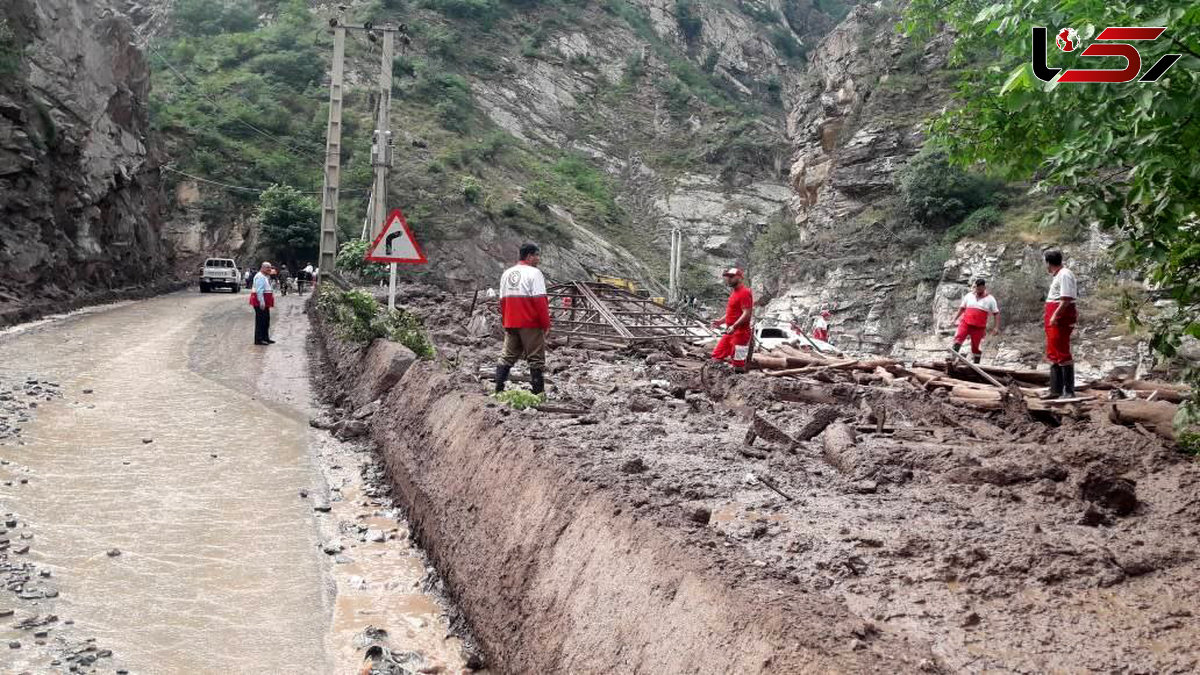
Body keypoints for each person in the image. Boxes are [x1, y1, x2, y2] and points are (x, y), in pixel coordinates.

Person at [495, 243, 551, 395]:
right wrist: (546, 324)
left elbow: (502, 300)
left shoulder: (507, 273)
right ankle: (538, 394)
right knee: (536, 359)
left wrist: (505, 321)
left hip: (511, 321)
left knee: (507, 356)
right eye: (537, 255)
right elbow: (540, 301)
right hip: (530, 322)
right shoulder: (535, 273)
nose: (538, 259)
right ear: (529, 256)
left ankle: (498, 390)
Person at [1044, 249, 1078, 398]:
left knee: (1062, 350)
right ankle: (1055, 390)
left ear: (1048, 263)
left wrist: (1055, 316)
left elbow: (1065, 300)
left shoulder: (1064, 274)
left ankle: (1069, 391)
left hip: (1060, 318)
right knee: (1054, 350)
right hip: (1053, 314)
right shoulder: (1059, 275)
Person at [711, 267, 753, 371]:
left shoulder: (745, 292)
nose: (728, 279)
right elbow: (732, 312)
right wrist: (721, 321)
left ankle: (738, 383)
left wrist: (735, 326)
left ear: (739, 278)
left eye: (731, 277)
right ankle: (718, 380)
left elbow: (747, 313)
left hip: (741, 333)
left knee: (738, 363)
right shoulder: (734, 292)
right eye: (727, 277)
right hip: (730, 331)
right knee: (716, 356)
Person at [952, 278, 1001, 364]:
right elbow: (962, 308)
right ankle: (952, 359)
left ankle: (976, 365)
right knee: (958, 339)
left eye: (979, 289)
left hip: (979, 327)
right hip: (965, 323)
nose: (977, 290)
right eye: (975, 288)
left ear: (984, 287)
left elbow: (996, 313)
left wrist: (996, 327)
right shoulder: (969, 296)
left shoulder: (990, 299)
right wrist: (955, 318)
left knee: (976, 347)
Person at [250, 261, 275, 345]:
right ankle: (259, 339)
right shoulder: (260, 277)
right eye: (268, 268)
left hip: (265, 302)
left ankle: (265, 337)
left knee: (266, 320)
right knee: (261, 320)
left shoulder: (265, 276)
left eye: (270, 268)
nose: (269, 269)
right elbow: (259, 290)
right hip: (260, 302)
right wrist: (261, 301)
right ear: (263, 268)